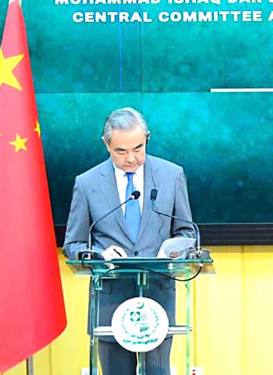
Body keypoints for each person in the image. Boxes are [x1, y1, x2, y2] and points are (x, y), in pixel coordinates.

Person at [63, 107, 195, 375]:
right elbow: (73, 245)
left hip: (158, 296)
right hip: (109, 300)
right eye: (121, 151)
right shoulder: (87, 183)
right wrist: (99, 255)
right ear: (106, 144)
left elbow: (187, 234)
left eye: (138, 148)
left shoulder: (171, 175)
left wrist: (171, 252)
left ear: (147, 138)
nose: (131, 158)